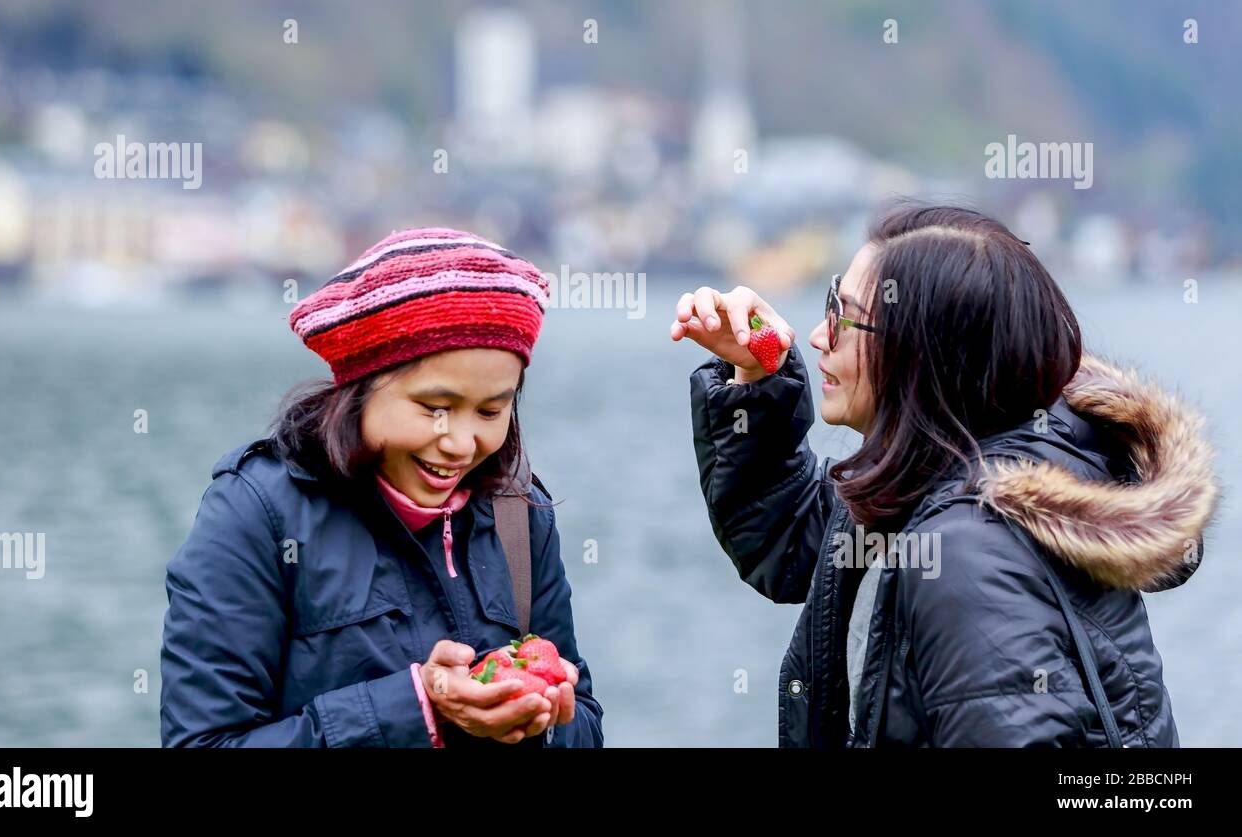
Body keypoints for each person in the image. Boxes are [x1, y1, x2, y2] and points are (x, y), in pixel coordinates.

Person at [673, 203, 1216, 747]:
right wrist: (755, 379)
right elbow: (796, 545)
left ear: (920, 349)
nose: (818, 335)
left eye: (842, 312)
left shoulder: (965, 550)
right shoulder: (949, 480)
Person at [161, 227, 603, 747]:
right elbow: (202, 742)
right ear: (361, 388)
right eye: (434, 408)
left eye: (491, 410)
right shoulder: (256, 514)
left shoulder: (519, 514)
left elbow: (586, 722)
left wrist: (536, 720)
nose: (461, 443)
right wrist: (420, 708)